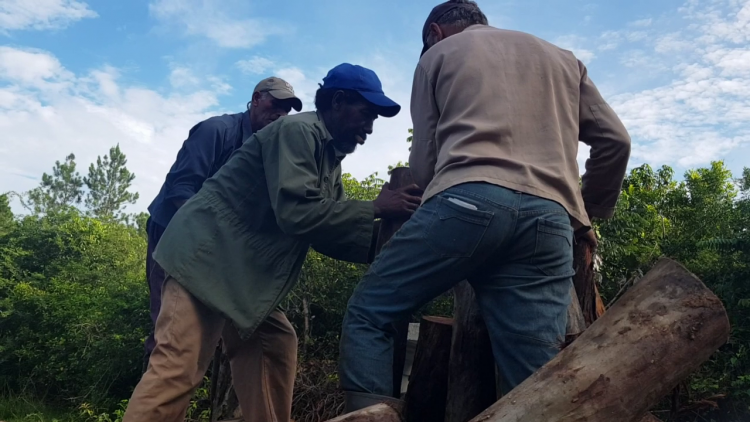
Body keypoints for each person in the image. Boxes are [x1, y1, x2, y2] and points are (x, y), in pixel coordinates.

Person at [337, 0, 631, 412]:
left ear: (434, 34)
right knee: (534, 376)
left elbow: (423, 162)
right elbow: (616, 141)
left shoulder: (436, 57)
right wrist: (588, 209)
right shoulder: (564, 61)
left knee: (371, 311)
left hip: (466, 202)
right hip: (550, 222)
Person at [123, 63, 422, 422]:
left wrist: (390, 243)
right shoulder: (297, 131)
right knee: (177, 369)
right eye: (366, 113)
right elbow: (298, 214)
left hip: (241, 277)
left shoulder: (327, 159)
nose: (370, 128)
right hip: (204, 262)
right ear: (338, 101)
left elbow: (327, 227)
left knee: (274, 347)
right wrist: (375, 207)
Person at [141, 76, 302, 420]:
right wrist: (206, 243)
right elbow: (180, 188)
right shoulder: (217, 131)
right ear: (256, 99)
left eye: (287, 109)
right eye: (276, 103)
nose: (281, 113)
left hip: (223, 250)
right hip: (174, 236)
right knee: (172, 338)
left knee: (267, 333)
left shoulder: (270, 150)